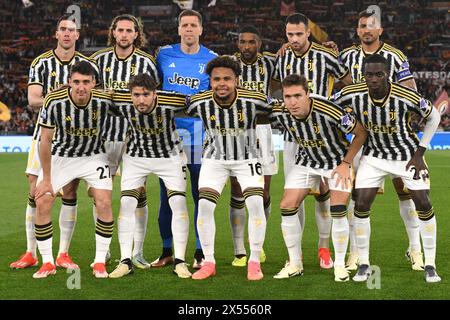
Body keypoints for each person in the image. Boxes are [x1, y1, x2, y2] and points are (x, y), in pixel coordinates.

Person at [332, 54, 441, 283]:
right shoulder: (353, 93)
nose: (373, 79)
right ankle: (363, 263)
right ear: (363, 75)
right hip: (374, 155)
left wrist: (420, 153)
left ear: (387, 74)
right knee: (361, 203)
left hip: (407, 156)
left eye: (379, 74)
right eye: (369, 74)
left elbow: (434, 116)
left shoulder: (405, 96)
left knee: (423, 203)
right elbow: (328, 106)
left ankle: (430, 264)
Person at [11, 14, 100, 271]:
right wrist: (61, 95)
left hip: (75, 137)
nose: (67, 34)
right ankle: (31, 252)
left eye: (71, 30)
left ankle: (63, 253)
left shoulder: (86, 64)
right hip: (45, 134)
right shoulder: (41, 62)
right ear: (56, 34)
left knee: (69, 191)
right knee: (35, 190)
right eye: (62, 29)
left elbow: (94, 97)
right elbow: (33, 99)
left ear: (78, 35)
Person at [338, 9, 423, 271]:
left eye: (371, 26)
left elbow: (410, 90)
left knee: (405, 191)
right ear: (357, 30)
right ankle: (355, 253)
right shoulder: (347, 56)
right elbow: (344, 91)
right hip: (362, 134)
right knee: (357, 195)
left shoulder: (395, 56)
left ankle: (415, 249)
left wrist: (406, 123)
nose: (366, 30)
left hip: (395, 137)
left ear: (380, 30)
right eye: (362, 25)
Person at [273, 12, 352, 269]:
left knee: (324, 194)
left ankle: (324, 246)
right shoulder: (282, 57)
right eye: (289, 35)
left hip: (325, 135)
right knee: (295, 192)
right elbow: (275, 88)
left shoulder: (326, 55)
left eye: (299, 34)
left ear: (309, 32)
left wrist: (340, 109)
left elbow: (349, 84)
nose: (294, 39)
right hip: (294, 136)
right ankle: (295, 255)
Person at [270, 74, 367, 281]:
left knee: (338, 209)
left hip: (336, 163)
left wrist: (346, 163)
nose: (292, 102)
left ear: (307, 94)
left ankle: (339, 265)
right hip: (307, 162)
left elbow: (360, 133)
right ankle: (295, 263)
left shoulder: (328, 109)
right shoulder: (280, 111)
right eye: (288, 96)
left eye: (298, 95)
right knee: (287, 206)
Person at [187, 56, 272, 281]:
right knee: (204, 205)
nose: (221, 83)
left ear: (237, 80)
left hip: (248, 158)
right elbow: (173, 106)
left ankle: (254, 261)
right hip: (214, 159)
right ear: (210, 81)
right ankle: (209, 261)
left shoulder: (255, 100)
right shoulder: (199, 101)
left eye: (227, 78)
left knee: (255, 203)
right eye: (216, 79)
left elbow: (279, 111)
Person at [33, 61, 115, 279]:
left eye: (86, 82)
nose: (81, 87)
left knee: (105, 202)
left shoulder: (105, 99)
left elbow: (131, 105)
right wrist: (47, 179)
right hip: (63, 155)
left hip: (94, 155)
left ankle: (99, 262)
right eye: (76, 82)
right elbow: (45, 141)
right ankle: (48, 262)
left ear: (94, 83)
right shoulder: (54, 100)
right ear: (69, 82)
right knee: (42, 199)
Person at [90, 14, 160, 269]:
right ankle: (105, 248)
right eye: (119, 30)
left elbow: (155, 98)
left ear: (136, 34)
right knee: (100, 195)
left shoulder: (147, 62)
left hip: (135, 137)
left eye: (129, 30)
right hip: (102, 137)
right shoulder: (98, 60)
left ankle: (137, 251)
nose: (124, 34)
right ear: (113, 32)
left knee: (138, 193)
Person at [108, 74, 191, 279]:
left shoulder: (172, 101)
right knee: (126, 203)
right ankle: (125, 261)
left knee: (178, 204)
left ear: (155, 93)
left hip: (170, 157)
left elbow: (194, 101)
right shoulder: (122, 101)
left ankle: (179, 261)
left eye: (146, 94)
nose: (141, 100)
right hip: (136, 157)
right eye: (136, 95)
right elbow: (98, 95)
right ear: (130, 94)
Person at [154, 9, 217, 269]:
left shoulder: (212, 58)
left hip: (199, 139)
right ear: (179, 29)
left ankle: (201, 252)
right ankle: (167, 249)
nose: (189, 29)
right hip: (168, 138)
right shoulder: (163, 55)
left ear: (201, 29)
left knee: (199, 195)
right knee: (168, 196)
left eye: (193, 25)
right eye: (184, 25)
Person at [228, 25, 278, 267]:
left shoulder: (269, 63)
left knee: (264, 191)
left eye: (251, 42)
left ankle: (260, 245)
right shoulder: (228, 63)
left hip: (263, 129)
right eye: (242, 42)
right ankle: (239, 250)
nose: (247, 46)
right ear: (237, 44)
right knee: (237, 189)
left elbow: (290, 62)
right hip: (236, 130)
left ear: (259, 44)